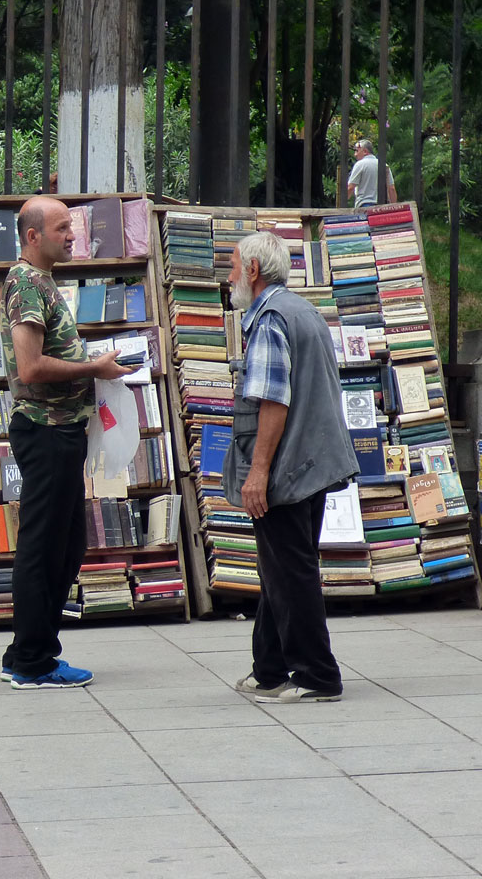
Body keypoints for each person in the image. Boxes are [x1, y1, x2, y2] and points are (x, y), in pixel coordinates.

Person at [0, 195, 129, 690]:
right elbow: (30, 367)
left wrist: (92, 367)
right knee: (44, 547)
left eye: (71, 227)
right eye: (61, 228)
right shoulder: (27, 282)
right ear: (33, 237)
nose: (72, 235)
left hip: (62, 431)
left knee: (66, 544)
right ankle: (33, 662)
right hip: (46, 430)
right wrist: (93, 368)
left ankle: (25, 651)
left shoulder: (42, 282)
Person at [224, 231, 358, 704]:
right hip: (312, 461)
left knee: (290, 569)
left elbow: (273, 402)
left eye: (235, 266)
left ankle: (317, 674)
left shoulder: (269, 319)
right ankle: (271, 669)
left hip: (287, 466)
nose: (230, 275)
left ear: (254, 271)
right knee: (278, 567)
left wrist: (257, 472)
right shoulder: (304, 310)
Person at [347, 139, 397, 207]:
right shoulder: (384, 165)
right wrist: (394, 207)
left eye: (356, 151)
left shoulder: (360, 164)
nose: (355, 154)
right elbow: (391, 188)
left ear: (365, 151)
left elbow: (350, 187)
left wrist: (341, 204)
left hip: (365, 205)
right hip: (382, 208)